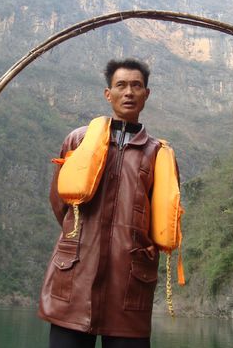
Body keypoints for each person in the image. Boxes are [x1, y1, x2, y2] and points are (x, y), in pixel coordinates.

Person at [39, 58, 176, 348]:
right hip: (74, 277)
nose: (129, 92)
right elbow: (60, 203)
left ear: (146, 94)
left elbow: (163, 214)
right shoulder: (78, 141)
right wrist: (82, 237)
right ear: (108, 93)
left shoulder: (157, 154)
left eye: (136, 86)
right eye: (121, 85)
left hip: (129, 284)